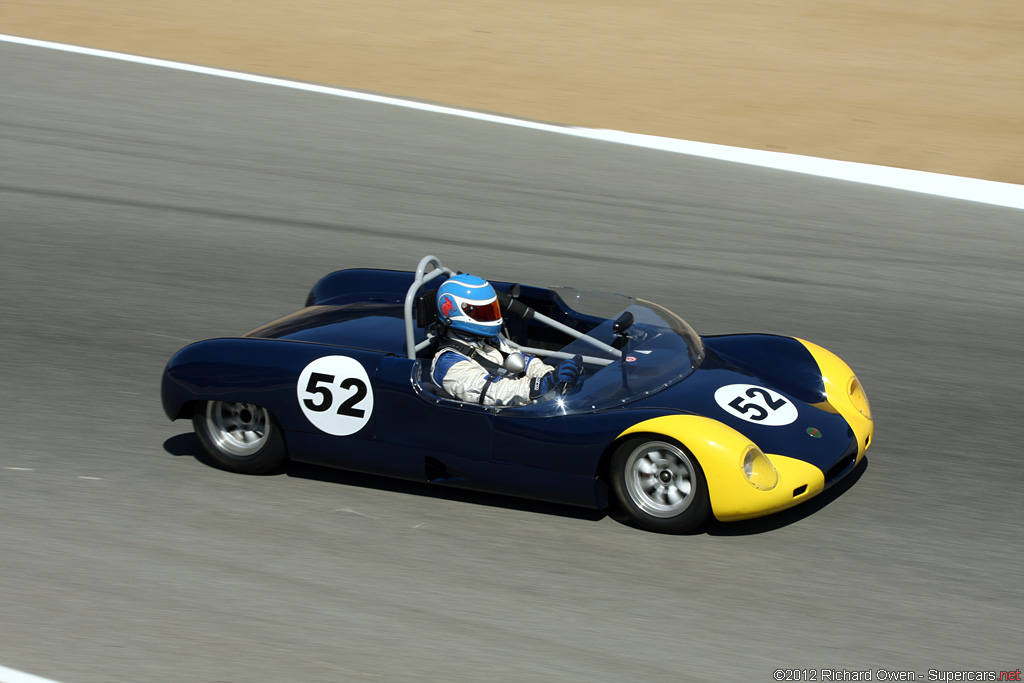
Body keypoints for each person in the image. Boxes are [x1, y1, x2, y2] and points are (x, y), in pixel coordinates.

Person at [430, 273, 583, 406]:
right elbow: (494, 391)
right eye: (483, 313)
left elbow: (524, 362)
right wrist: (541, 387)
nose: (491, 318)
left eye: (492, 310)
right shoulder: (449, 364)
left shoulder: (489, 341)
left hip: (523, 405)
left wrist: (552, 377)